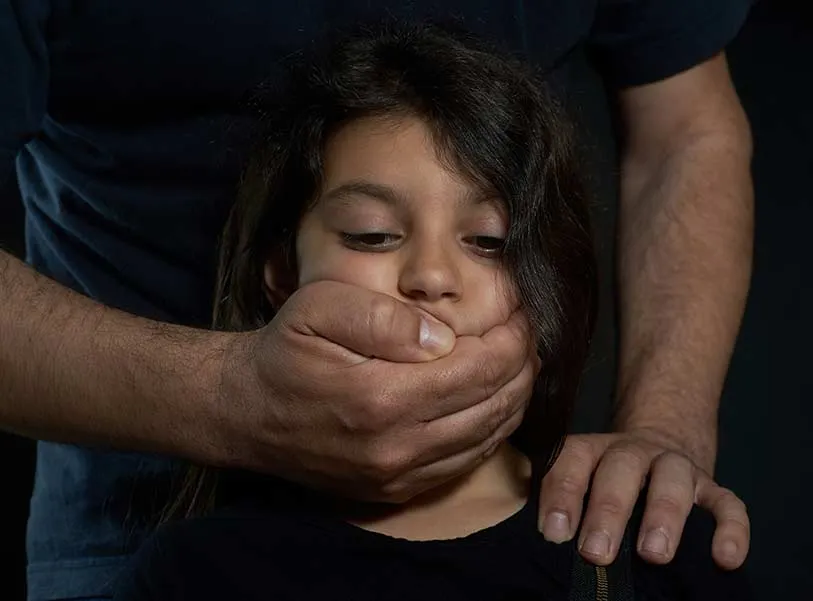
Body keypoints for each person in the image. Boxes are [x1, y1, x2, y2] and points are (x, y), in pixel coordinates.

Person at [0, 1, 754, 600]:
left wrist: (662, 437)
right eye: (371, 235)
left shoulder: (639, 563)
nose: (431, 276)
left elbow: (686, 131)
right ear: (280, 273)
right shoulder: (193, 569)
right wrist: (231, 397)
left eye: (488, 240)